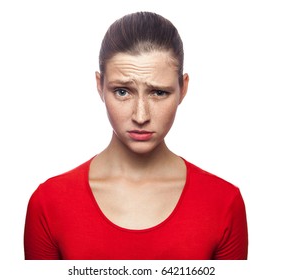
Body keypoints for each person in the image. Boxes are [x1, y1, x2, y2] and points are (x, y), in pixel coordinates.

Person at [24, 11, 248, 260]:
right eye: (122, 92)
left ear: (183, 88)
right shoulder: (49, 203)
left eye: (158, 93)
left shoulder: (223, 203)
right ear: (100, 86)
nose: (141, 116)